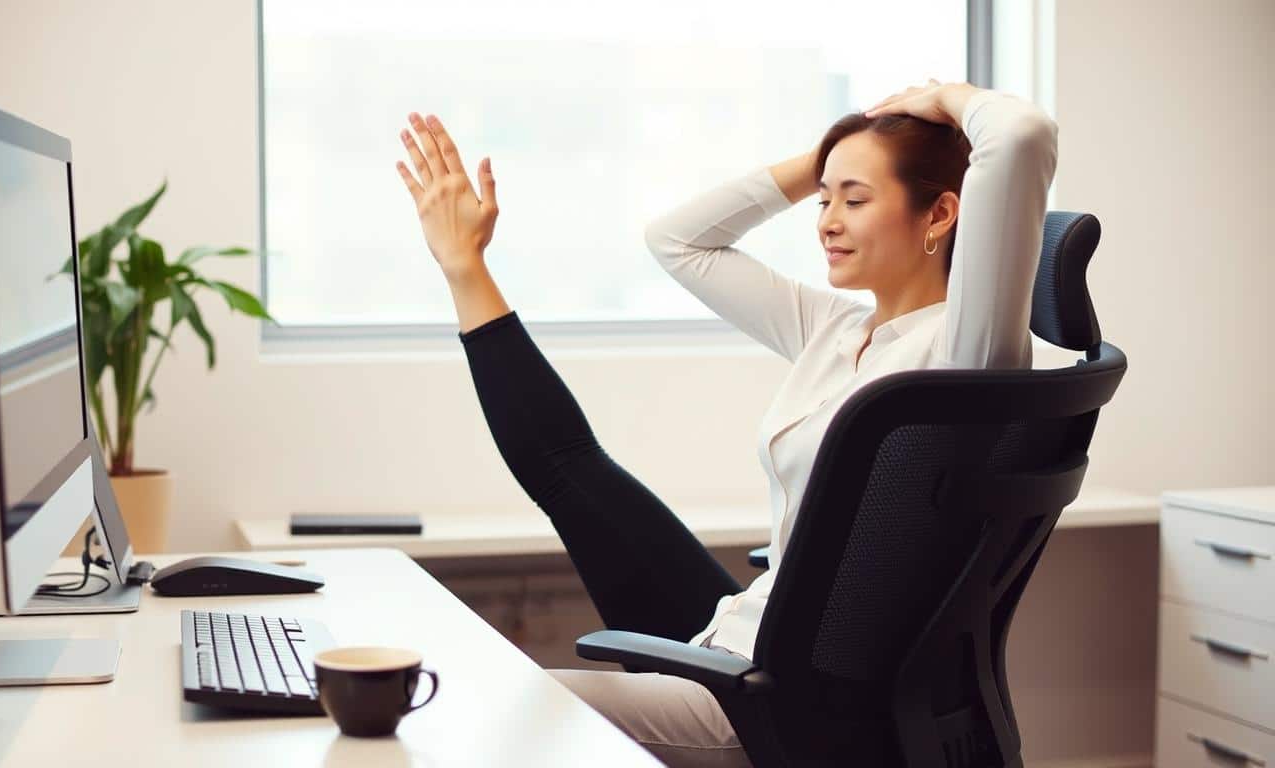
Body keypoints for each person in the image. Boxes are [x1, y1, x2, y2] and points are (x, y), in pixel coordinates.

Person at [394, 78, 1057, 767]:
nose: (826, 218)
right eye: (824, 198)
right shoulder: (838, 327)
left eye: (855, 200)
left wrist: (944, 97)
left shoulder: (967, 352)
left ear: (941, 215)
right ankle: (462, 267)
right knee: (568, 466)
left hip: (786, 695)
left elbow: (1022, 138)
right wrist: (833, 156)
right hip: (745, 630)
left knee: (500, 703)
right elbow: (678, 242)